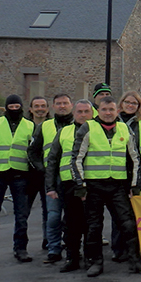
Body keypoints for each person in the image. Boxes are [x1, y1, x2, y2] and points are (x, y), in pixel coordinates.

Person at [70, 96, 141, 277]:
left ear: (117, 111)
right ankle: (95, 262)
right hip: (93, 186)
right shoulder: (88, 128)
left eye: (111, 109)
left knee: (127, 224)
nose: (108, 113)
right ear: (99, 111)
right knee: (94, 227)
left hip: (117, 185)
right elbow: (75, 158)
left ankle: (135, 261)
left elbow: (135, 159)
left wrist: (134, 186)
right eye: (104, 110)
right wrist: (80, 186)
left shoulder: (124, 129)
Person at [0, 94, 35, 267]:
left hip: (20, 176)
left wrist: (31, 176)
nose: (14, 109)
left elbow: (33, 153)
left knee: (21, 216)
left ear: (22, 107)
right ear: (6, 107)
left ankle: (21, 249)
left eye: (17, 106)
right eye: (11, 106)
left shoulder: (30, 126)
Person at [45, 100, 93, 272]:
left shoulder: (98, 130)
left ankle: (90, 258)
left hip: (92, 182)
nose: (83, 115)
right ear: (74, 113)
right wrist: (50, 186)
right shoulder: (63, 132)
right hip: (69, 184)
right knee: (71, 224)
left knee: (90, 223)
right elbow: (52, 160)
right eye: (79, 111)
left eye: (86, 111)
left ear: (92, 113)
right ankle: (72, 258)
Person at [29, 93, 73, 263]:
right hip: (53, 179)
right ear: (53, 107)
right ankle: (53, 249)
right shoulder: (44, 126)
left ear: (71, 105)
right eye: (59, 103)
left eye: (65, 103)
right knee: (53, 216)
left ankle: (72, 248)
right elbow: (32, 152)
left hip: (72, 178)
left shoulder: (79, 125)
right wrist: (42, 170)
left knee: (73, 217)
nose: (62, 106)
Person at [114, 91, 141, 260]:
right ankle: (118, 249)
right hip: (116, 173)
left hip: (138, 173)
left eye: (134, 103)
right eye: (127, 102)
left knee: (136, 214)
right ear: (122, 103)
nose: (130, 105)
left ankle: (137, 249)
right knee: (119, 213)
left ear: (139, 106)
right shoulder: (113, 121)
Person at [26, 96, 51, 254]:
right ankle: (21, 244)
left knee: (48, 210)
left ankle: (48, 240)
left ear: (48, 109)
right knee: (23, 211)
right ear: (31, 109)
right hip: (27, 175)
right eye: (36, 106)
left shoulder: (51, 126)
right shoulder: (25, 126)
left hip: (46, 174)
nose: (40, 108)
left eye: (43, 106)